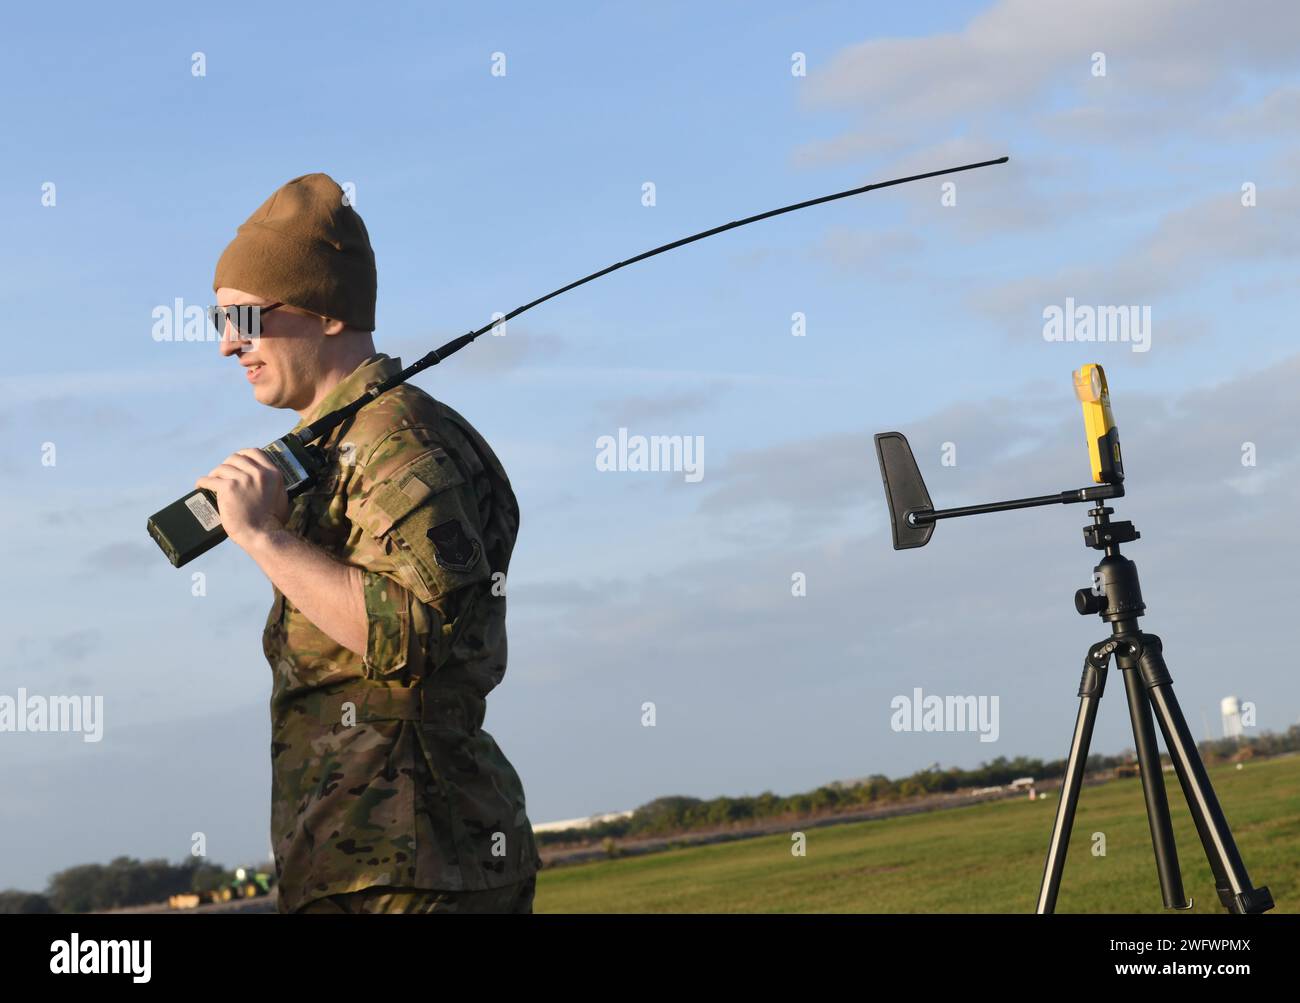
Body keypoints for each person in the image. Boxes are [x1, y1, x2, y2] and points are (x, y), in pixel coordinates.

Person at [199, 173, 541, 914]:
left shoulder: (396, 439)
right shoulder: (332, 446)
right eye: (219, 321)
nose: (230, 345)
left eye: (248, 318)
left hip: (413, 859)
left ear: (325, 312)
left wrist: (264, 538)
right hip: (369, 858)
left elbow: (415, 634)